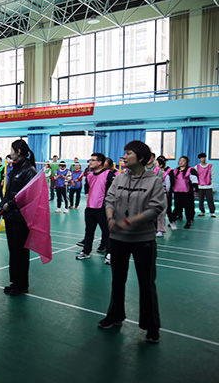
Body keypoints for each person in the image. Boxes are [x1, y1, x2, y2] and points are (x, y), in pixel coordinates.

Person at [99, 140, 165, 344]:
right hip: (118, 239)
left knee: (146, 283)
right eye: (125, 153)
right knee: (117, 280)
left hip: (143, 240)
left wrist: (127, 222)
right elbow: (109, 199)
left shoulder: (154, 181)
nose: (124, 157)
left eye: (129, 153)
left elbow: (155, 209)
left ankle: (151, 325)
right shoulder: (119, 178)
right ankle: (115, 315)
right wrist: (110, 219)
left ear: (141, 158)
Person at [0, 139, 37, 296]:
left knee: (21, 252)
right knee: (13, 251)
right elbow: (8, 191)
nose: (10, 153)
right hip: (10, 216)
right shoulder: (14, 168)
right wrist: (2, 206)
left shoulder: (29, 171)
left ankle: (22, 285)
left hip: (21, 218)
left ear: (19, 152)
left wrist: (10, 204)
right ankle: (15, 282)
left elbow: (27, 196)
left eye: (12, 150)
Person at [76, 152, 115, 264]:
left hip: (103, 208)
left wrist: (107, 205)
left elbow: (113, 191)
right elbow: (87, 188)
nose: (90, 162)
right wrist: (89, 199)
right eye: (90, 160)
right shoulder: (89, 176)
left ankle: (109, 254)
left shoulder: (109, 174)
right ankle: (86, 251)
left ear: (100, 162)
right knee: (89, 231)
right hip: (90, 208)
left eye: (93, 160)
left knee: (106, 232)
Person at [171, 156, 199, 229]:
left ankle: (188, 221)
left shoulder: (190, 170)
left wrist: (196, 190)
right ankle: (172, 221)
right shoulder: (175, 170)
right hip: (177, 192)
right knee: (177, 207)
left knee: (188, 208)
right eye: (180, 160)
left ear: (186, 162)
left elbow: (195, 181)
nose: (181, 162)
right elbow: (172, 181)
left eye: (183, 161)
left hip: (187, 192)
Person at [157, 156, 176, 231]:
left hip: (165, 194)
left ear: (161, 165)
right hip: (156, 194)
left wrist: (166, 191)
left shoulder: (167, 173)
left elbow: (169, 186)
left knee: (166, 210)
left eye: (156, 164)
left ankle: (170, 223)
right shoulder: (154, 172)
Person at [196, 153, 215, 217]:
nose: (203, 159)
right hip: (200, 186)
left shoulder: (210, 166)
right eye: (202, 158)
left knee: (210, 200)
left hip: (208, 186)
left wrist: (207, 180)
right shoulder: (197, 167)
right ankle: (202, 211)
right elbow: (195, 176)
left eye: (204, 157)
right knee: (201, 200)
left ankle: (212, 212)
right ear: (199, 159)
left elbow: (212, 175)